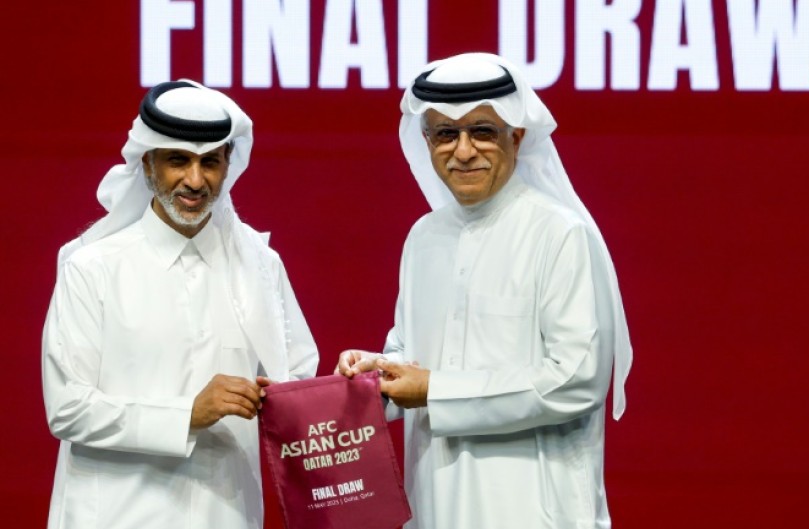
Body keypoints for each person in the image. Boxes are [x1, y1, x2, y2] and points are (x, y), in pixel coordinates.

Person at [335, 53, 633, 528]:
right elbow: (415, 353)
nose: (464, 150)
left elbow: (576, 378)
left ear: (516, 137)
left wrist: (434, 388)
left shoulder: (558, 234)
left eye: (482, 132)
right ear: (426, 141)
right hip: (435, 504)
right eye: (446, 134)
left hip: (534, 510)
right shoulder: (425, 237)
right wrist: (378, 374)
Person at [42, 80, 319, 529]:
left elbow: (296, 381)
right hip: (115, 515)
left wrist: (352, 391)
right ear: (147, 163)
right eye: (178, 161)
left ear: (229, 164)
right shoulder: (91, 266)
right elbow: (68, 408)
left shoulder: (261, 265)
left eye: (210, 161)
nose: (195, 180)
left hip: (226, 515)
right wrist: (187, 415)